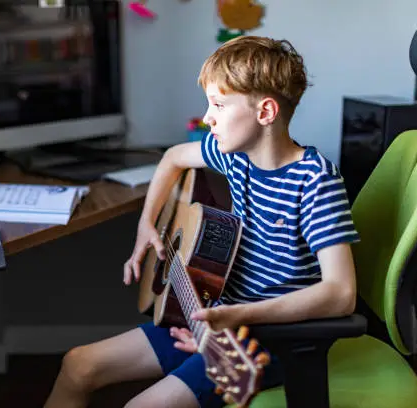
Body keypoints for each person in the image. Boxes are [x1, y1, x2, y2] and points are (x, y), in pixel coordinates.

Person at [43, 35, 360, 408]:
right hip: (216, 319)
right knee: (78, 365)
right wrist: (147, 223)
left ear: (265, 112)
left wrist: (236, 317)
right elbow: (173, 157)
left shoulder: (315, 181)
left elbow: (341, 293)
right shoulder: (235, 156)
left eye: (219, 105)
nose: (208, 117)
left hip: (272, 341)